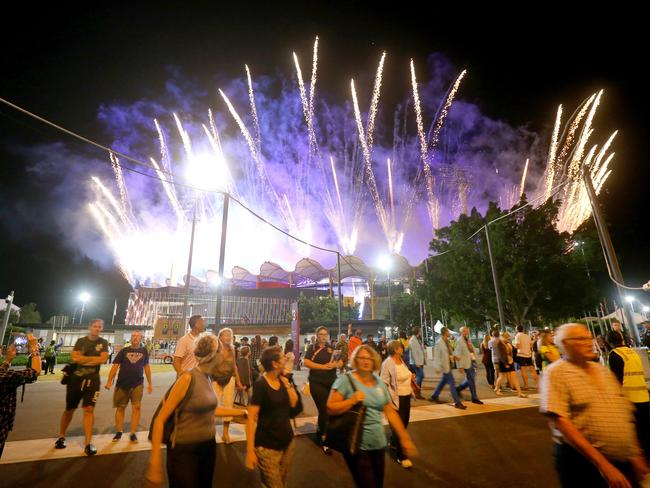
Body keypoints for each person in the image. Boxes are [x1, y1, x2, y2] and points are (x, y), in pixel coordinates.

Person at [540, 323, 649, 487]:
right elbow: (561, 421)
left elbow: (622, 412)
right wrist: (603, 465)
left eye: (588, 338)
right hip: (583, 464)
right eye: (580, 339)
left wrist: (634, 453)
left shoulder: (602, 370)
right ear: (564, 344)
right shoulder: (556, 373)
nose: (588, 342)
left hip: (623, 461)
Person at [146, 334, 247, 488]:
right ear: (214, 355)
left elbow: (211, 410)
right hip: (184, 452)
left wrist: (241, 413)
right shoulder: (187, 378)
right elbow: (160, 419)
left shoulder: (207, 378)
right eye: (222, 351)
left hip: (207, 447)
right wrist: (154, 463)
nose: (225, 354)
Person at [327, 345, 417, 487]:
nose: (366, 361)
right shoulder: (346, 380)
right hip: (357, 445)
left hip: (378, 444)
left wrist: (404, 438)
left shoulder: (378, 382)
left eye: (369, 358)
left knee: (378, 483)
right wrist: (352, 400)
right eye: (362, 358)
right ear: (355, 360)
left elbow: (390, 411)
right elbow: (330, 407)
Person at [246, 346, 300, 488]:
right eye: (283, 357)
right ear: (275, 363)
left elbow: (294, 403)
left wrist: (287, 385)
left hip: (288, 442)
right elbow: (251, 418)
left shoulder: (283, 380)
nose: (286, 358)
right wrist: (250, 451)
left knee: (282, 481)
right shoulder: (261, 385)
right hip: (267, 447)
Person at [55, 319, 109, 455]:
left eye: (99, 327)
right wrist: (93, 360)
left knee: (89, 409)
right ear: (90, 327)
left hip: (93, 381)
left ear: (101, 329)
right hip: (75, 380)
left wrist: (84, 359)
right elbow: (75, 358)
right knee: (69, 409)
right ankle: (61, 437)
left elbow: (103, 359)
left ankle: (88, 443)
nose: (97, 328)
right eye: (95, 326)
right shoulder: (80, 341)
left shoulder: (103, 343)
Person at [607, 331, 650, 459]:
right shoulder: (632, 352)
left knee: (636, 432)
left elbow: (616, 378)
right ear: (622, 339)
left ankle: (643, 458)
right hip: (643, 395)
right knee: (646, 428)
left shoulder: (614, 354)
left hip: (629, 397)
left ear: (609, 343)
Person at [104, 330, 152, 443]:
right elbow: (115, 366)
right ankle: (119, 431)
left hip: (138, 384)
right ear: (131, 338)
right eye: (133, 336)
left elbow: (147, 367)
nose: (135, 338)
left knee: (136, 407)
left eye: (137, 336)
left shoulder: (144, 351)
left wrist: (150, 383)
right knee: (121, 408)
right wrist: (109, 381)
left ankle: (133, 433)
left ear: (141, 338)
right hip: (122, 384)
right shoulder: (124, 351)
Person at [0, 335, 41, 459]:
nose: (1, 349)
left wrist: (8, 360)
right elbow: (34, 372)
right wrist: (34, 348)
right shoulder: (5, 377)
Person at [303, 326, 342, 454]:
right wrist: (322, 367)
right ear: (317, 335)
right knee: (324, 409)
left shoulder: (332, 347)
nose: (323, 336)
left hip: (332, 382)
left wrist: (335, 364)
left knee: (331, 409)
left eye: (325, 334)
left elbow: (340, 362)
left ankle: (323, 432)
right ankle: (324, 440)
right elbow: (306, 362)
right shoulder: (312, 348)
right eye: (321, 334)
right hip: (316, 383)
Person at [380, 340, 415, 468]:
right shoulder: (387, 363)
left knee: (404, 423)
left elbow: (404, 374)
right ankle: (402, 456)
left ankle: (394, 441)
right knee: (400, 426)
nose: (402, 348)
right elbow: (383, 382)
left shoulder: (402, 360)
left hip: (406, 397)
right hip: (395, 399)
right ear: (395, 349)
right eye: (400, 347)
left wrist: (411, 376)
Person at [212, 327, 243, 444]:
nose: (229, 337)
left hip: (229, 379)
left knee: (229, 406)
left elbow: (234, 365)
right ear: (220, 337)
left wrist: (239, 381)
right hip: (216, 379)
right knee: (213, 406)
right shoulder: (214, 348)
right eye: (226, 335)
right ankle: (210, 431)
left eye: (230, 335)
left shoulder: (233, 349)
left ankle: (225, 433)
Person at [429, 327, 466, 409]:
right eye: (448, 331)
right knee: (452, 385)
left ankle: (434, 396)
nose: (449, 332)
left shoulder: (447, 341)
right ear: (444, 332)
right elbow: (437, 356)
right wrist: (437, 367)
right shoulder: (439, 343)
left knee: (443, 382)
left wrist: (455, 357)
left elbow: (449, 352)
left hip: (448, 365)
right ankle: (457, 402)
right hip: (445, 367)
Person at [455, 326, 483, 404]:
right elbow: (457, 354)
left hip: (472, 361)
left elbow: (472, 350)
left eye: (467, 331)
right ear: (461, 332)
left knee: (470, 379)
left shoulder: (468, 340)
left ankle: (458, 389)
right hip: (465, 363)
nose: (466, 332)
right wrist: (460, 366)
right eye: (464, 331)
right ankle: (474, 397)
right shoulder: (459, 341)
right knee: (471, 380)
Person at [494, 332, 527, 398]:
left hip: (510, 362)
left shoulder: (508, 344)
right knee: (501, 377)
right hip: (503, 363)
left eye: (508, 338)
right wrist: (505, 364)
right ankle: (497, 389)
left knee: (515, 377)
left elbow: (512, 352)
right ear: (502, 337)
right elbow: (500, 355)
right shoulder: (499, 344)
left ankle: (519, 393)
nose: (508, 339)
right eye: (506, 338)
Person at [514, 325, 538, 389]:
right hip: (528, 354)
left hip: (521, 354)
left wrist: (514, 347)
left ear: (517, 329)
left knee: (523, 370)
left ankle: (526, 385)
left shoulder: (517, 336)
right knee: (532, 370)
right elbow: (531, 345)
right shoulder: (527, 336)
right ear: (523, 329)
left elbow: (517, 345)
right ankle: (537, 384)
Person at [408, 326, 426, 399]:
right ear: (418, 331)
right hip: (416, 362)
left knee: (420, 376)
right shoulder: (413, 340)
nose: (421, 332)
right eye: (420, 331)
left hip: (419, 361)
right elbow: (414, 352)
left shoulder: (417, 339)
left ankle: (418, 394)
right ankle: (411, 390)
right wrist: (417, 362)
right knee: (421, 375)